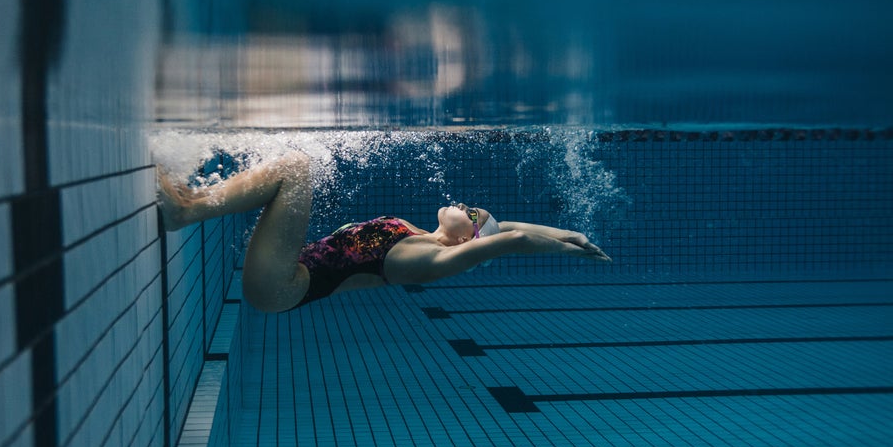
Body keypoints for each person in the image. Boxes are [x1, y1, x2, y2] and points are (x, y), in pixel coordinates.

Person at [157, 151, 610, 312]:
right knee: (294, 167)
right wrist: (570, 232)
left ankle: (186, 211)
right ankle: (192, 200)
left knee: (296, 168)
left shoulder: (431, 260)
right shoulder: (420, 233)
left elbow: (507, 239)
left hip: (281, 286)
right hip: (288, 270)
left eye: (470, 213)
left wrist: (568, 253)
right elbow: (507, 226)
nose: (464, 205)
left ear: (465, 240)